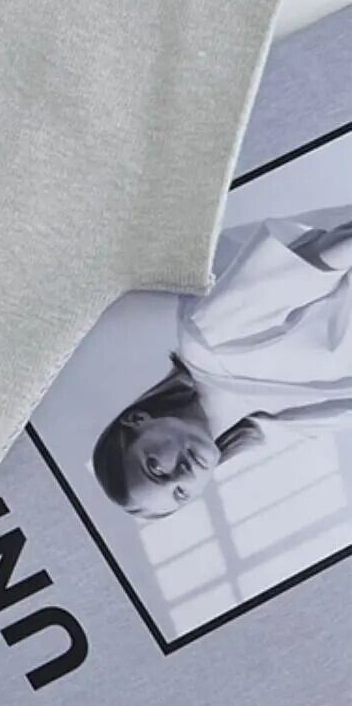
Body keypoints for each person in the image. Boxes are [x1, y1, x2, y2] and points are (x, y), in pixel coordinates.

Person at [92, 203, 352, 518]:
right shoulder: (283, 427)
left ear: (137, 420)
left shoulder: (208, 336)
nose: (182, 475)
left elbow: (329, 254)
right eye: (180, 493)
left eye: (156, 469)